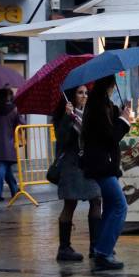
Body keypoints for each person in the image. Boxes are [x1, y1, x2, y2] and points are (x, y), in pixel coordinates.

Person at [80, 74, 132, 271]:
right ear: (110, 85)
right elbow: (110, 137)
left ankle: (102, 248)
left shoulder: (101, 104)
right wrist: (124, 121)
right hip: (101, 163)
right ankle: (103, 251)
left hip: (103, 162)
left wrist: (120, 114)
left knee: (111, 206)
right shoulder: (98, 106)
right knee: (120, 206)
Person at [51, 85, 101, 262]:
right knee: (70, 204)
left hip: (87, 164)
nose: (84, 96)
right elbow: (62, 138)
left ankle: (95, 247)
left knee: (96, 199)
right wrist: (67, 117)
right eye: (80, 93)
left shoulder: (88, 114)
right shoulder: (64, 115)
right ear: (72, 95)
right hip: (71, 165)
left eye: (86, 93)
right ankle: (64, 248)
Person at [0, 88, 22, 202]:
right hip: (9, 141)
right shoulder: (14, 109)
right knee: (3, 165)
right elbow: (21, 123)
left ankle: (14, 189)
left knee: (6, 165)